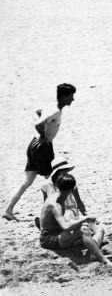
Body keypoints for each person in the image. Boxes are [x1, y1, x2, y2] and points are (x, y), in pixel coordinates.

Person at [5, 82, 76, 221]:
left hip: (34, 144)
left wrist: (40, 135)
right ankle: (54, 215)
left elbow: (36, 112)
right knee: (55, 178)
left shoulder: (51, 106)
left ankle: (8, 210)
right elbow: (38, 124)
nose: (72, 99)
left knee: (27, 182)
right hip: (42, 147)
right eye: (71, 96)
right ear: (63, 96)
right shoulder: (54, 110)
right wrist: (43, 136)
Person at [38, 175, 112, 269]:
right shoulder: (55, 204)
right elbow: (65, 226)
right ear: (71, 190)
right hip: (49, 239)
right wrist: (85, 218)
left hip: (59, 234)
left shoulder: (57, 195)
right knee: (83, 230)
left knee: (98, 229)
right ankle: (103, 259)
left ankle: (92, 251)